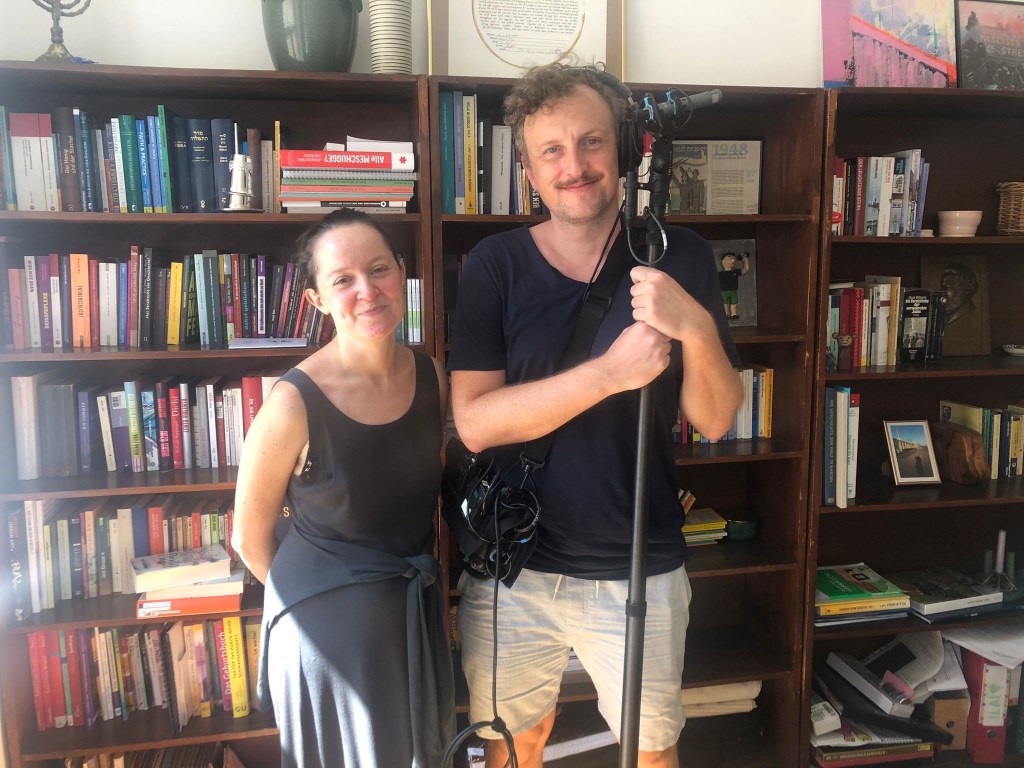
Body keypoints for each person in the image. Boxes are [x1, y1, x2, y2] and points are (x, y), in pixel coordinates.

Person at [447, 63, 744, 768]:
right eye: (551, 150)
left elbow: (716, 420)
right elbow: (476, 423)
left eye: (591, 142)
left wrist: (695, 326)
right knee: (513, 748)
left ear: (625, 149)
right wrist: (609, 374)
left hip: (638, 564)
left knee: (651, 752)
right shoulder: (495, 264)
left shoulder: (679, 255)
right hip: (514, 567)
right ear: (528, 170)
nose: (573, 166)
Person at [232, 208, 455, 768]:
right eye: (343, 280)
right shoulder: (291, 403)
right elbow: (248, 539)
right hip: (327, 638)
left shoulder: (432, 376)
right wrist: (330, 600)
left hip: (410, 614)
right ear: (317, 301)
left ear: (400, 272)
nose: (367, 291)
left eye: (378, 269)